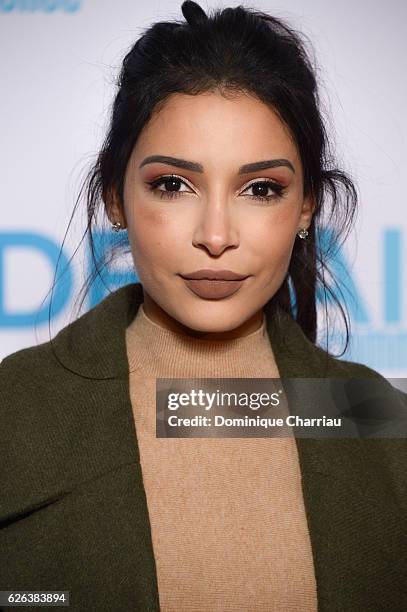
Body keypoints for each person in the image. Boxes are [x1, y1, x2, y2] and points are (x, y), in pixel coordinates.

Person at [1, 1, 406, 611]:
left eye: (261, 188)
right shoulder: (14, 411)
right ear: (115, 194)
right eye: (172, 184)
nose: (216, 236)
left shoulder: (378, 417)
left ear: (306, 207)